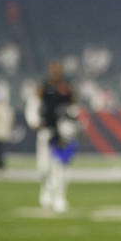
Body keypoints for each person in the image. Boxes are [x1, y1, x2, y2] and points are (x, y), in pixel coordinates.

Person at [37, 61, 77, 213]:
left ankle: (60, 197)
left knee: (61, 166)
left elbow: (73, 106)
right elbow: (37, 103)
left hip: (63, 132)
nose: (55, 72)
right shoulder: (44, 86)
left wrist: (70, 126)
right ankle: (46, 189)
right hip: (46, 130)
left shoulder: (67, 86)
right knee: (44, 167)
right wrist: (36, 120)